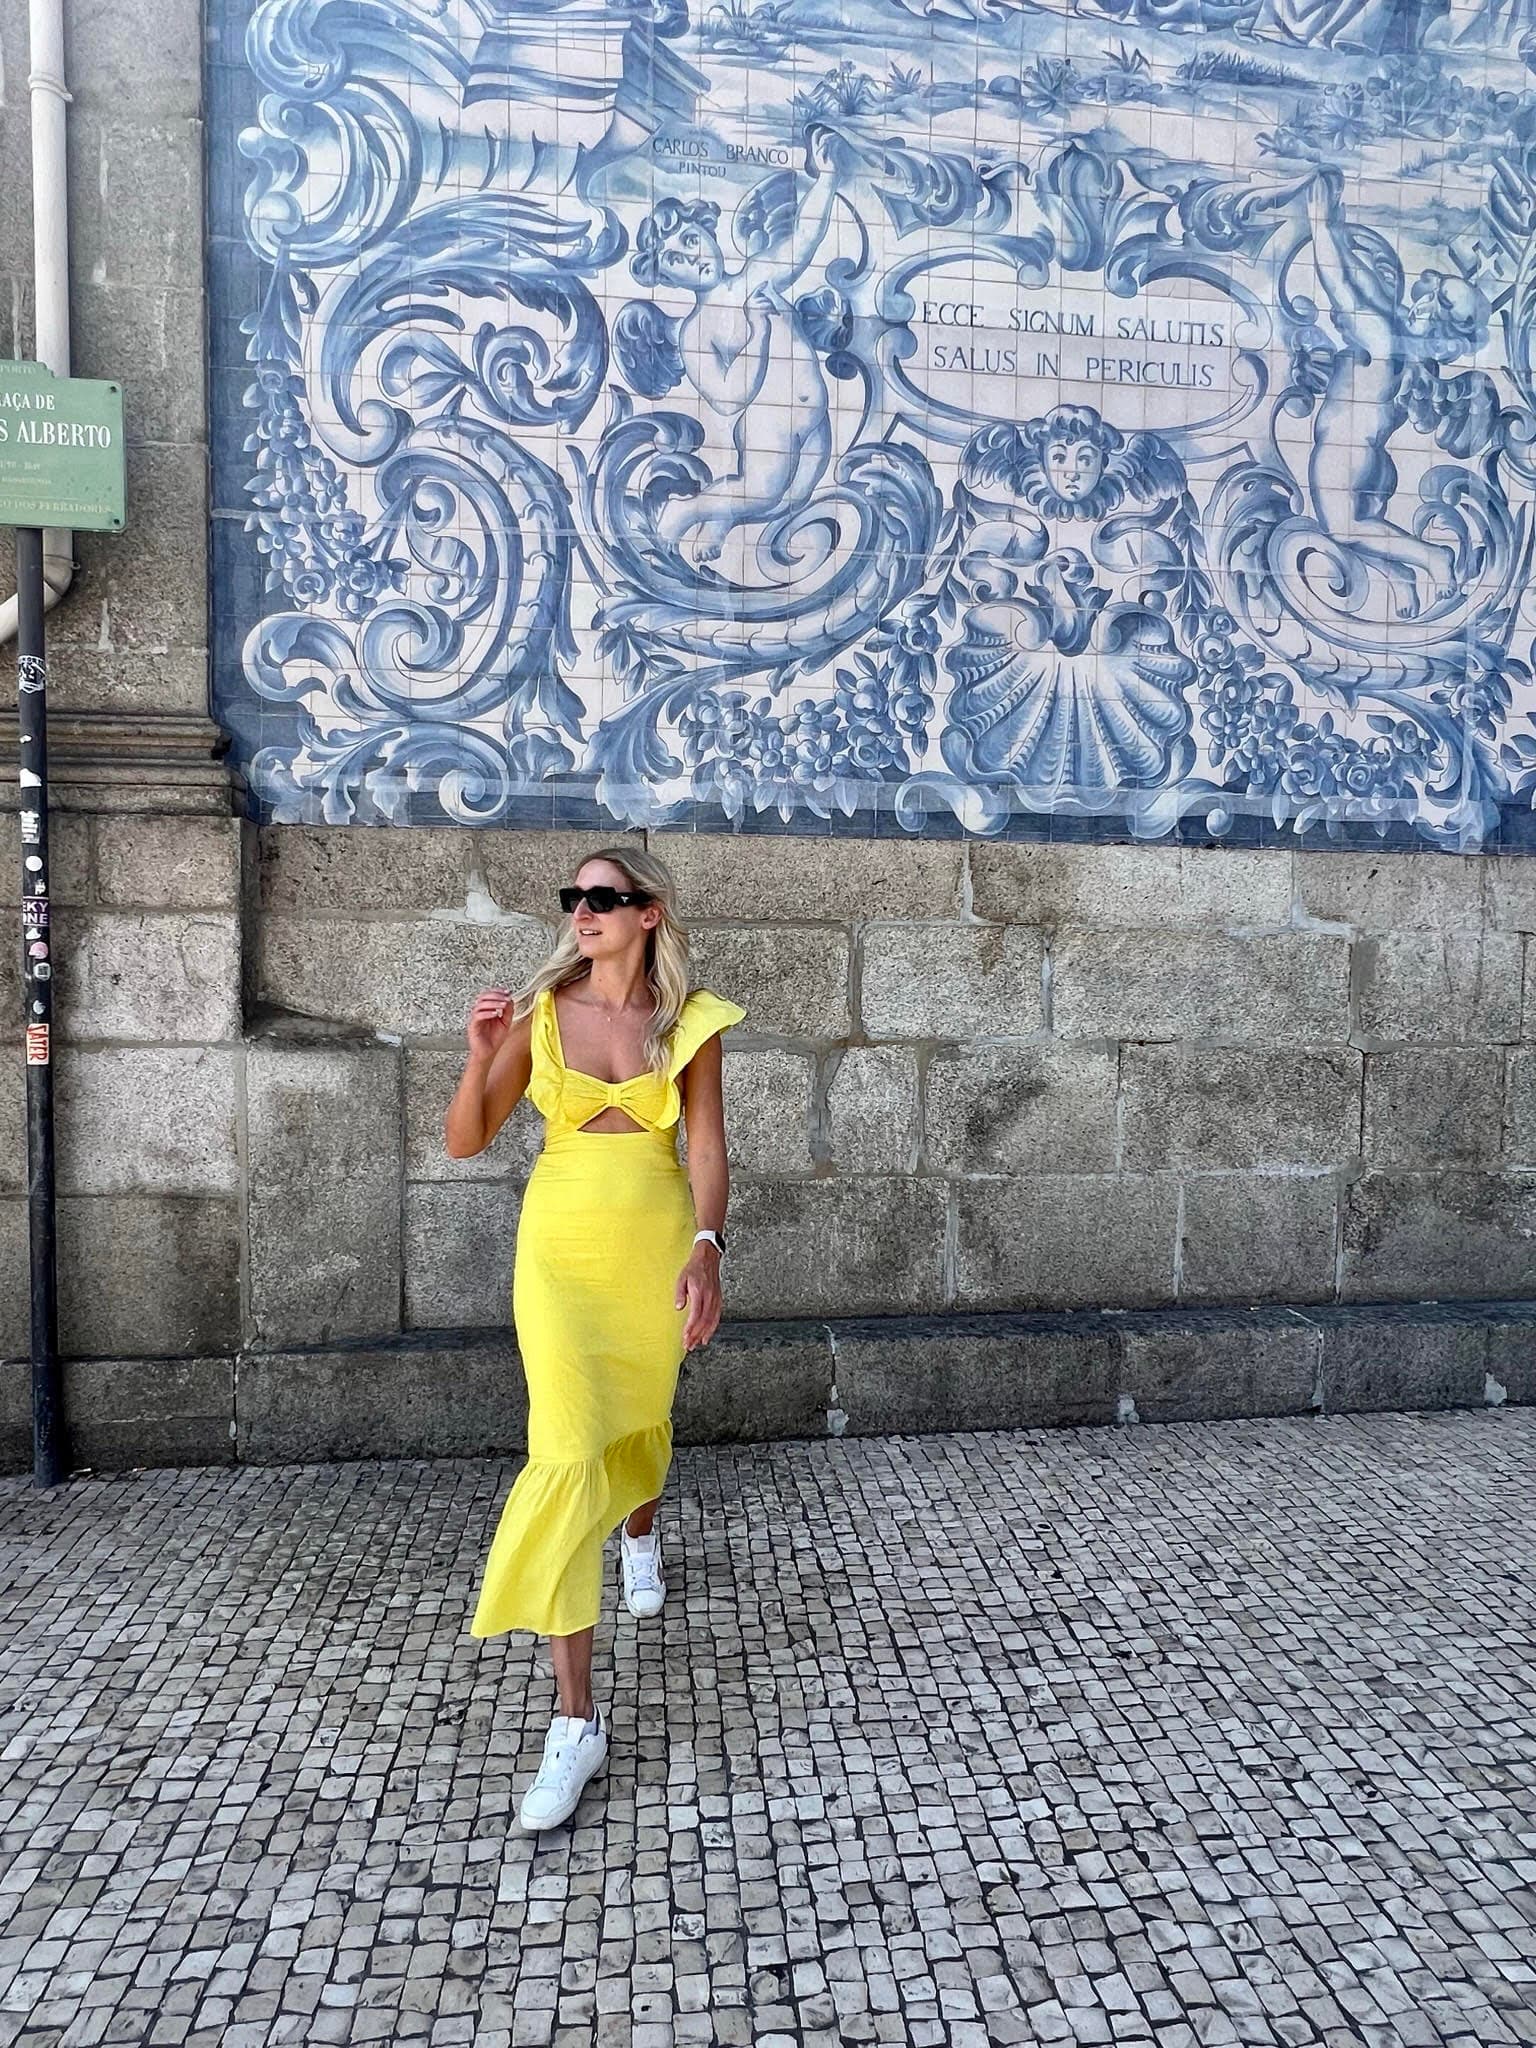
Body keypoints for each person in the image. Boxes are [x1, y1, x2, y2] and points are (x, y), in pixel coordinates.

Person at [445, 846, 744, 1830]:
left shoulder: (686, 1021)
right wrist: (478, 1052)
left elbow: (703, 1143)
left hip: (651, 1246)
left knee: (638, 1413)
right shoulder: (539, 1013)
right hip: (561, 1253)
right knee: (568, 1449)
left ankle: (642, 1531)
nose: (582, 910)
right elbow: (464, 1137)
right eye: (573, 896)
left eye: (603, 897)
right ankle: (576, 1721)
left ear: (649, 912)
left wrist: (706, 1246)